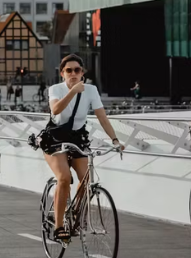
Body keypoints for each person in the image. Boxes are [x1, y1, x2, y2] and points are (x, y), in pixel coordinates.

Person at [41, 54, 124, 241]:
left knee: (86, 179)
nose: (73, 74)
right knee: (64, 178)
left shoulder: (91, 90)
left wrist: (115, 140)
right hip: (55, 139)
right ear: (62, 73)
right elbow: (55, 110)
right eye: (68, 70)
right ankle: (59, 225)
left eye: (77, 70)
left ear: (82, 73)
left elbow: (102, 117)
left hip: (77, 138)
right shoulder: (56, 89)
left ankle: (77, 216)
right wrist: (73, 92)